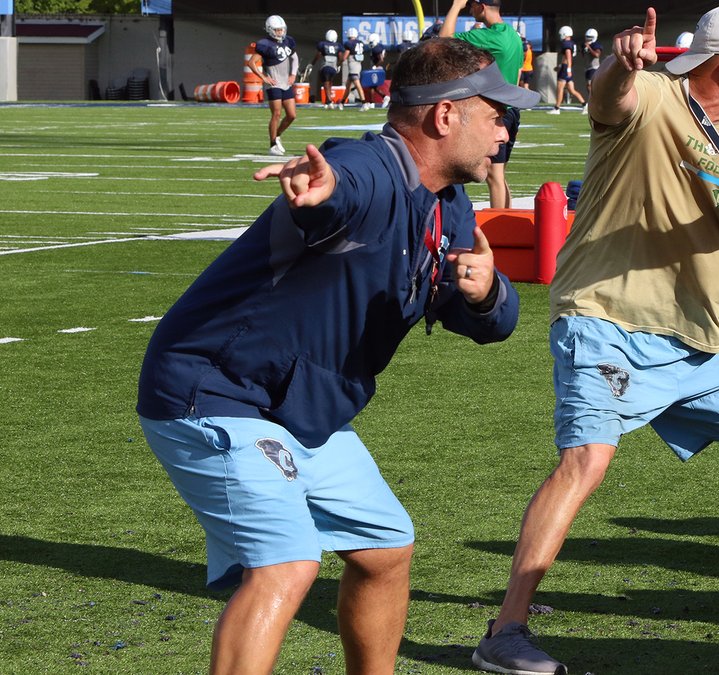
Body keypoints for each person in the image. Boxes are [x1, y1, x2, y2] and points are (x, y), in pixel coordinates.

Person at [472, 6, 719, 674]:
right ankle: (505, 630)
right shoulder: (651, 94)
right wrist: (620, 65)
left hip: (699, 339)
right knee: (584, 462)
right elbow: (611, 98)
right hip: (606, 320)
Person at [137, 38, 539, 675]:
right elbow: (344, 183)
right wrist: (323, 186)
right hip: (214, 391)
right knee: (287, 564)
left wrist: (488, 294)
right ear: (444, 116)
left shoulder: (448, 203)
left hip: (300, 409)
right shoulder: (368, 169)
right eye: (498, 115)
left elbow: (489, 325)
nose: (507, 131)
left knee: (385, 547)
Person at [439, 0, 524, 209]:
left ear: (481, 6)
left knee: (493, 175)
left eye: (471, 5)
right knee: (499, 175)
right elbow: (519, 70)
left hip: (497, 113)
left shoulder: (491, 36)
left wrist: (456, 7)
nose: (469, 9)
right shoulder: (512, 35)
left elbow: (444, 40)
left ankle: (500, 229)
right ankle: (507, 218)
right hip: (512, 110)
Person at [252, 15, 298, 156]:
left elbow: (294, 58)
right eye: (277, 30)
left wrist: (293, 74)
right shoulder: (265, 44)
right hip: (274, 84)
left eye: (281, 30)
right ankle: (272, 145)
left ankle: (277, 135)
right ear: (270, 30)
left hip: (286, 83)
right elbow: (252, 63)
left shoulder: (288, 41)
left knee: (291, 115)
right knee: (276, 114)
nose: (280, 33)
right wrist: (264, 77)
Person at [550, 25, 587, 114]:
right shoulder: (571, 43)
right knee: (571, 90)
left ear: (564, 33)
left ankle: (557, 108)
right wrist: (561, 66)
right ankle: (585, 104)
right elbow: (567, 57)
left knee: (560, 88)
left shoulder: (566, 44)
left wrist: (567, 69)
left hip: (566, 68)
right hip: (566, 67)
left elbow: (568, 56)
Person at [312, 29, 341, 110]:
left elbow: (318, 54)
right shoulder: (338, 45)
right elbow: (340, 56)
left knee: (326, 83)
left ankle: (329, 101)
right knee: (329, 83)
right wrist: (338, 65)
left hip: (325, 66)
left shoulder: (322, 44)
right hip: (333, 67)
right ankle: (327, 101)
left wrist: (312, 63)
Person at [341, 27, 368, 111]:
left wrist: (339, 63)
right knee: (348, 86)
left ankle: (364, 103)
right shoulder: (360, 43)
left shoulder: (349, 43)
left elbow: (345, 56)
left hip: (353, 65)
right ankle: (341, 103)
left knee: (357, 84)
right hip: (358, 64)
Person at [365, 33, 390, 110]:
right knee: (373, 86)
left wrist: (375, 66)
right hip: (377, 67)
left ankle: (373, 102)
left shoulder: (377, 48)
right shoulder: (378, 47)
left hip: (377, 68)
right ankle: (384, 97)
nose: (370, 44)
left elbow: (381, 59)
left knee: (371, 85)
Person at [582, 28, 603, 105]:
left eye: (589, 37)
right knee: (588, 86)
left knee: (590, 85)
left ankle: (594, 101)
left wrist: (589, 48)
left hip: (594, 67)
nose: (587, 39)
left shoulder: (596, 45)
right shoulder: (585, 45)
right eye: (587, 37)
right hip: (587, 67)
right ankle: (593, 100)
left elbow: (597, 55)